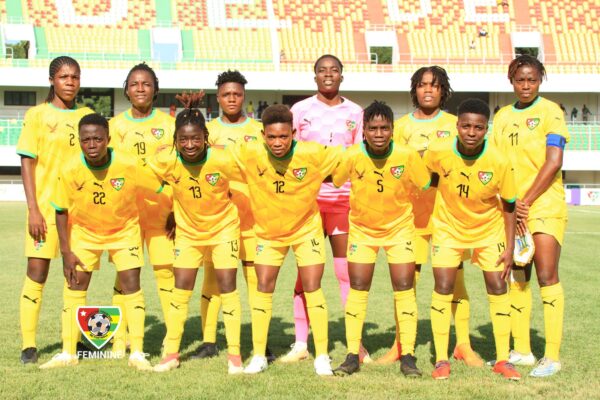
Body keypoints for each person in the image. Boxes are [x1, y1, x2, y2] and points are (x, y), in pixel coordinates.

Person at [228, 104, 343, 376]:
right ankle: (259, 356)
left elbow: (347, 157)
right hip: (268, 234)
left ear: (293, 133)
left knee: (312, 286)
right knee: (263, 287)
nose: (278, 143)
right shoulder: (249, 152)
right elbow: (213, 156)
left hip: (306, 231)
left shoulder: (312, 153)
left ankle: (322, 356)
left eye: (283, 136)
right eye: (271, 137)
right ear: (263, 136)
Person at [380, 66, 482, 367]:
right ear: (415, 89)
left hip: (447, 220)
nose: (428, 90)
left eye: (435, 85)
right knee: (405, 285)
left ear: (443, 90)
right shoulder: (400, 127)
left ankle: (463, 345)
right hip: (409, 219)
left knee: (455, 284)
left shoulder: (455, 124)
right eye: (423, 84)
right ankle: (400, 345)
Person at [39, 113, 153, 371]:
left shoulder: (129, 164)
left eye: (98, 139)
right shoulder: (70, 168)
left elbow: (159, 186)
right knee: (75, 286)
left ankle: (137, 352)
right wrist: (66, 252)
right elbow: (60, 210)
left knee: (131, 285)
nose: (92, 145)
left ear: (108, 139)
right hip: (85, 232)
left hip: (124, 231)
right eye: (86, 140)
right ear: (79, 140)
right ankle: (68, 352)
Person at [331, 101, 430, 377]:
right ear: (364, 130)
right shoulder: (352, 155)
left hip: (400, 230)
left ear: (392, 130)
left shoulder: (407, 155)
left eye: (384, 128)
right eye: (373, 128)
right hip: (362, 231)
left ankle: (407, 355)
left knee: (404, 287)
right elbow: (335, 180)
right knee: (358, 287)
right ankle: (353, 354)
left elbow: (426, 183)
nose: (378, 134)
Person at [426, 99, 519, 380]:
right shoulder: (439, 151)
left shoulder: (499, 160)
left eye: (478, 127)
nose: (471, 132)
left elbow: (510, 205)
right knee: (443, 286)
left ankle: (503, 360)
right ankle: (441, 359)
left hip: (488, 231)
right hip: (448, 229)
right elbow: (424, 172)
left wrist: (510, 246)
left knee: (497, 286)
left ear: (486, 129)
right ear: (457, 126)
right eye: (465, 126)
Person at [150, 92, 243, 374]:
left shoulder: (224, 159)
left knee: (227, 288)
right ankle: (171, 354)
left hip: (223, 230)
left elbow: (251, 177)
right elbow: (152, 180)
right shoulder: (166, 160)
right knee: (181, 292)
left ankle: (235, 356)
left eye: (195, 138)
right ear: (175, 140)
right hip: (189, 234)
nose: (189, 145)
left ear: (206, 138)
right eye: (183, 139)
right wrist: (171, 210)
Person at [492, 54, 569, 377]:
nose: (526, 85)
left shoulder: (551, 112)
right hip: (513, 209)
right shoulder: (502, 116)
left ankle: (551, 356)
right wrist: (510, 203)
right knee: (517, 278)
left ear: (540, 80)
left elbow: (554, 161)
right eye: (520, 79)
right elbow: (495, 163)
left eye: (532, 79)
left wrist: (526, 200)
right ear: (511, 81)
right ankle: (522, 350)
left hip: (544, 205)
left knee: (546, 275)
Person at [288, 54, 369, 363]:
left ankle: (355, 344)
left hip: (343, 202)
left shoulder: (356, 112)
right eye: (322, 70)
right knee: (306, 274)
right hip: (308, 203)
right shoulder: (300, 110)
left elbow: (360, 155)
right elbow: (290, 153)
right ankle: (300, 343)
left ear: (341, 76)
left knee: (346, 273)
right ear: (315, 76)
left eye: (334, 70)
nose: (328, 75)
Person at [16, 56, 93, 364]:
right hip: (46, 212)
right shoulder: (37, 115)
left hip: (80, 215)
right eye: (64, 77)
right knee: (37, 273)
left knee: (76, 278)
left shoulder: (87, 116)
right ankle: (29, 346)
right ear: (51, 80)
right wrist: (33, 209)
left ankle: (71, 343)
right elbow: (27, 163)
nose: (70, 82)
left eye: (75, 77)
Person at [191, 69, 267, 361]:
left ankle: (260, 343)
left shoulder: (259, 129)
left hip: (252, 219)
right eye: (226, 94)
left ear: (244, 96)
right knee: (213, 281)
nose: (232, 99)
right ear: (218, 97)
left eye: (237, 94)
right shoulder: (208, 131)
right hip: (217, 219)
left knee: (256, 283)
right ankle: (209, 341)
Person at [109, 62, 175, 357]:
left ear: (155, 90)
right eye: (134, 84)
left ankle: (172, 337)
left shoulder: (170, 125)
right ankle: (118, 338)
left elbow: (179, 170)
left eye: (146, 84)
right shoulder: (113, 126)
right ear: (126, 89)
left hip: (163, 214)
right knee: (124, 276)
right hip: (125, 216)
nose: (140, 89)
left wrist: (177, 209)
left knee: (166, 274)